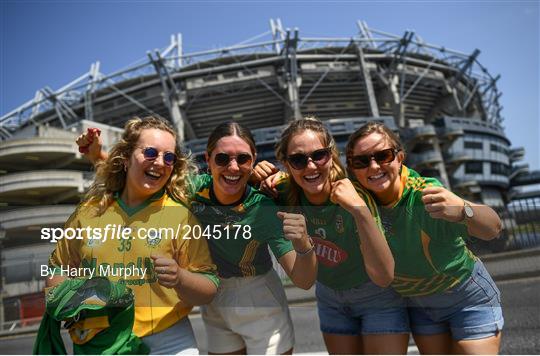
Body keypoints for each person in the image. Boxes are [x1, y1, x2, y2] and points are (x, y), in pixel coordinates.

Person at [76, 121, 318, 355]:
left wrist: (304, 245)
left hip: (259, 299)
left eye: (242, 159)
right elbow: (141, 175)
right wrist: (98, 155)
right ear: (208, 159)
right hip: (214, 300)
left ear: (253, 159)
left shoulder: (264, 208)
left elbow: (303, 280)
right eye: (223, 158)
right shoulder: (191, 191)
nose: (233, 167)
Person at [48, 116, 219, 354]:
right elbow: (57, 270)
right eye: (150, 152)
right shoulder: (88, 213)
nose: (160, 162)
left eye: (168, 157)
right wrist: (71, 297)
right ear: (126, 158)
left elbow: (209, 287)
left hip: (169, 338)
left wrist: (180, 277)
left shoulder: (180, 216)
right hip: (101, 339)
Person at [344, 121, 504, 354]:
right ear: (352, 169)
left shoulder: (423, 195)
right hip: (419, 306)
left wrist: (462, 209)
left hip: (465, 296)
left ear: (400, 157)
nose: (374, 166)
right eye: (362, 161)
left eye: (383, 155)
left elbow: (493, 228)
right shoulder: (357, 200)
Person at [254, 118, 410, 354]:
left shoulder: (352, 194)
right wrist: (254, 176)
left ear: (331, 154)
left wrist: (360, 212)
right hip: (330, 299)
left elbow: (384, 276)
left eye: (319, 155)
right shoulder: (283, 190)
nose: (310, 166)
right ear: (285, 163)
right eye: (297, 159)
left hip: (377, 297)